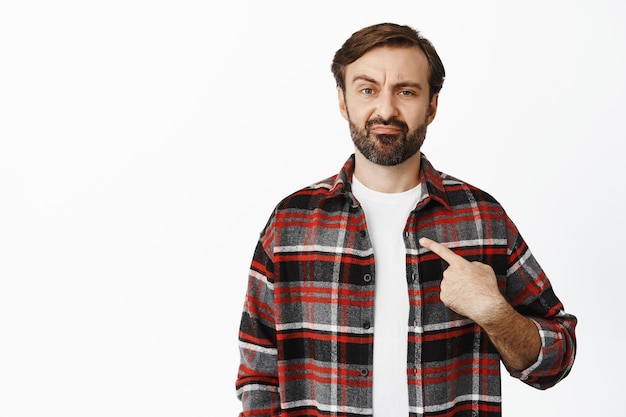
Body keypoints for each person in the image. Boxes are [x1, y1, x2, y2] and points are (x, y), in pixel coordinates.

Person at [235, 22, 577, 417]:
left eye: (406, 91)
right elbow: (257, 372)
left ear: (431, 105)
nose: (386, 110)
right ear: (343, 101)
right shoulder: (291, 223)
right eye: (367, 89)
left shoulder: (482, 218)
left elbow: (557, 358)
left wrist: (496, 313)